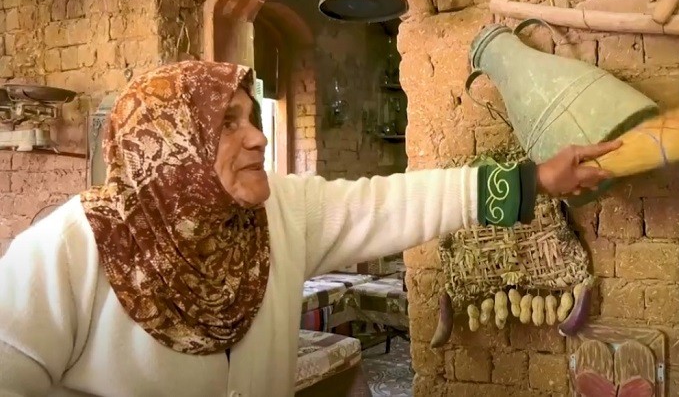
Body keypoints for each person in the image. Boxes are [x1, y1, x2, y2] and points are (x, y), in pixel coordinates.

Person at [0, 61, 619, 397]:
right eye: (228, 123)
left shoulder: (278, 215)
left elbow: (389, 204)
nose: (257, 137)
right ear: (168, 144)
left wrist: (533, 180)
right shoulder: (68, 251)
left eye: (254, 118)